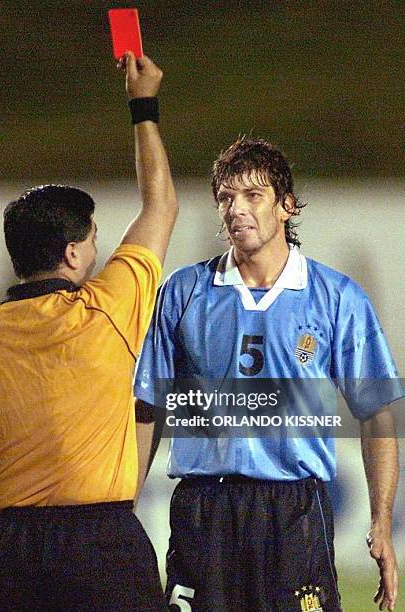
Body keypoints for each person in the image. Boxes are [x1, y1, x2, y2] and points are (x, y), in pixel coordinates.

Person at [0, 51, 178, 611]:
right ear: (71, 254)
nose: (96, 248)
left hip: (10, 549)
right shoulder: (108, 307)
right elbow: (160, 203)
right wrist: (143, 107)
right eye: (91, 239)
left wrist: (11, 510)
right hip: (101, 541)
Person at [134, 137, 402, 612]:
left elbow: (376, 413)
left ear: (286, 207)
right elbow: (147, 407)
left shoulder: (336, 297)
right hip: (204, 512)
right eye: (226, 198)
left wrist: (381, 521)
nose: (237, 209)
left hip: (294, 512)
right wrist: (126, 503)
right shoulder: (183, 292)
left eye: (253, 196)